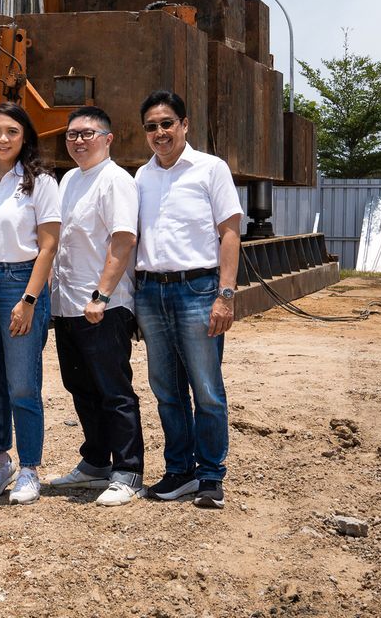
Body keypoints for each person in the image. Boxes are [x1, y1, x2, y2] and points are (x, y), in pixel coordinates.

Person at [134, 90, 242, 510]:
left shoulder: (210, 170)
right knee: (166, 388)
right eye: (151, 126)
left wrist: (225, 296)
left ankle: (211, 475)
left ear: (184, 125)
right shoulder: (142, 177)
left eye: (167, 124)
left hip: (198, 290)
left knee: (207, 388)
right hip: (151, 291)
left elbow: (230, 233)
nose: (160, 133)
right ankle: (179, 471)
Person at [46, 106, 145, 507]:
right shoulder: (69, 179)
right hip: (67, 304)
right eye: (72, 135)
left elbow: (123, 241)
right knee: (80, 387)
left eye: (87, 133)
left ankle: (129, 471)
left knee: (114, 390)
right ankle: (96, 463)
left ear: (108, 138)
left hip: (103, 305)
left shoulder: (116, 181)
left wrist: (101, 295)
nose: (78, 141)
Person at [0, 103, 60, 505]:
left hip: (21, 283)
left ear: (25, 137)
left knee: (22, 384)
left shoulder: (41, 182)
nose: (3, 139)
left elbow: (49, 246)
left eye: (12, 132)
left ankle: (30, 470)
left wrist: (29, 300)